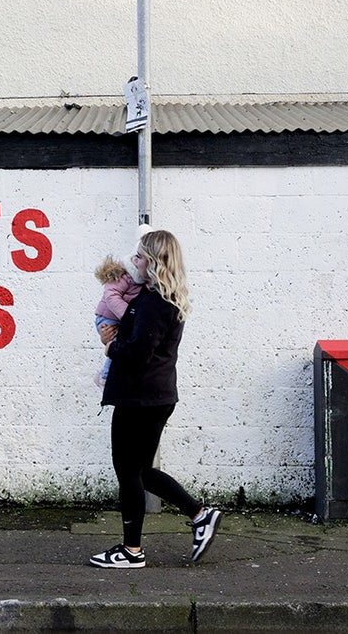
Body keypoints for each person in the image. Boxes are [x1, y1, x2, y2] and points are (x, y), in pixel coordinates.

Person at [88, 229, 222, 569]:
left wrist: (110, 346)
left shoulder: (154, 303)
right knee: (142, 471)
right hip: (152, 396)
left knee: (128, 471)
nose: (134, 262)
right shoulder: (160, 299)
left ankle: (132, 551)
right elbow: (138, 339)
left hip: (140, 398)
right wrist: (112, 333)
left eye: (140, 257)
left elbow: (137, 354)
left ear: (154, 261)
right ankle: (200, 514)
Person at [92, 253, 142, 386]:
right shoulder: (126, 274)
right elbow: (112, 296)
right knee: (117, 344)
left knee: (123, 344)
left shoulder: (145, 280)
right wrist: (129, 318)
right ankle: (105, 377)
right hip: (107, 319)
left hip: (119, 319)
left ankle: (105, 376)